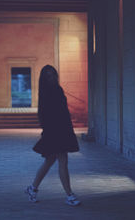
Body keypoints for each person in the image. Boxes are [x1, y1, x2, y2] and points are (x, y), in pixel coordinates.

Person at [25, 65, 81, 206]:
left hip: (62, 130)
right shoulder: (47, 92)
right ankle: (69, 195)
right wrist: (49, 131)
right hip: (55, 132)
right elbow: (45, 114)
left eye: (53, 75)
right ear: (44, 79)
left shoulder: (57, 89)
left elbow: (64, 112)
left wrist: (68, 130)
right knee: (62, 162)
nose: (51, 78)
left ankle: (32, 188)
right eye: (48, 76)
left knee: (49, 161)